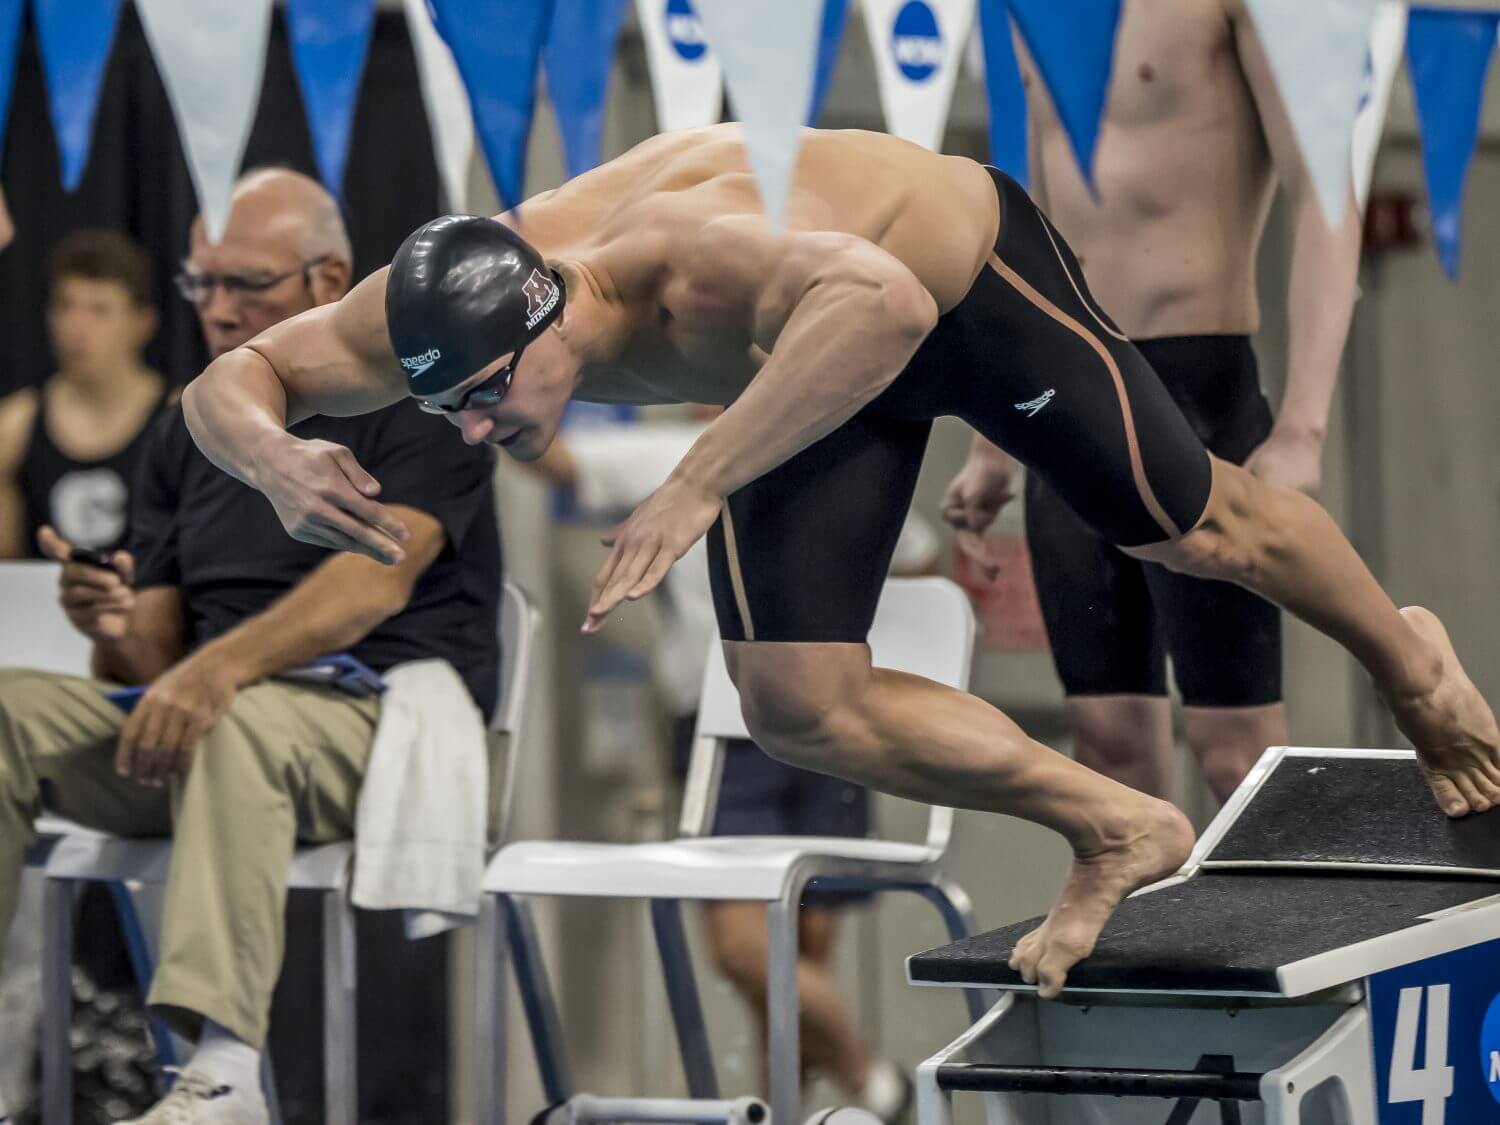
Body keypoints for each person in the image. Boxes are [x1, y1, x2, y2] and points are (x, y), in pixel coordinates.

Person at [179, 123, 1500, 1001]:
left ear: (555, 313)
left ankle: (1410, 657)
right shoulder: (434, 306)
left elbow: (891, 304)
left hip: (952, 276)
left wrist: (698, 482)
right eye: (446, 411)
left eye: (484, 397)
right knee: (797, 701)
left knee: (1197, 528)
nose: (475, 432)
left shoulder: (687, 260)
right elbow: (229, 382)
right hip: (806, 359)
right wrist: (277, 459)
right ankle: (1114, 823)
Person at [0, 168, 501, 1125]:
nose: (219, 311)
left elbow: (378, 572)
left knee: (236, 716)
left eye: (246, 284)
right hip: (214, 717)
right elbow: (152, 658)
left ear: (330, 278)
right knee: (10, 708)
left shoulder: (424, 397)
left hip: (372, 716)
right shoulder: (187, 424)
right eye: (201, 284)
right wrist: (109, 622)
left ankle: (221, 1071)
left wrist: (215, 666)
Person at [944, 0, 1364, 803]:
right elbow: (1015, 222)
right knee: (1107, 748)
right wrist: (993, 439)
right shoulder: (1037, 16)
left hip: (1193, 390)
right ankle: (1142, 932)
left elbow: (1325, 192)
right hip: (1060, 389)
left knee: (1236, 751)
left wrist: (1304, 429)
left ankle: (1259, 933)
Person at [528, 413, 934, 1119]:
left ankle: (786, 1109)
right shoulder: (667, 452)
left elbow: (922, 552)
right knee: (746, 952)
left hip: (830, 719)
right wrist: (476, 391)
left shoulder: (825, 440)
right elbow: (557, 460)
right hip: (723, 729)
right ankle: (878, 1084)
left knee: (801, 955)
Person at [0, 229, 167, 560]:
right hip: (44, 606)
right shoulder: (13, 425)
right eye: (65, 306)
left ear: (143, 323)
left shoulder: (180, 419)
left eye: (99, 310)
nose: (76, 327)